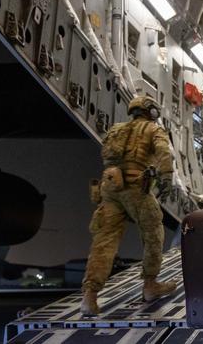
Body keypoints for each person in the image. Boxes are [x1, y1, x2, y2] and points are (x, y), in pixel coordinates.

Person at [81, 96, 175, 315]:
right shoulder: (153, 129)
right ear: (151, 111)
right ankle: (150, 285)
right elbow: (164, 154)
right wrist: (166, 180)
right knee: (153, 233)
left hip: (109, 187)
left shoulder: (116, 129)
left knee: (104, 242)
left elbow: (107, 155)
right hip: (135, 187)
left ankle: (89, 297)